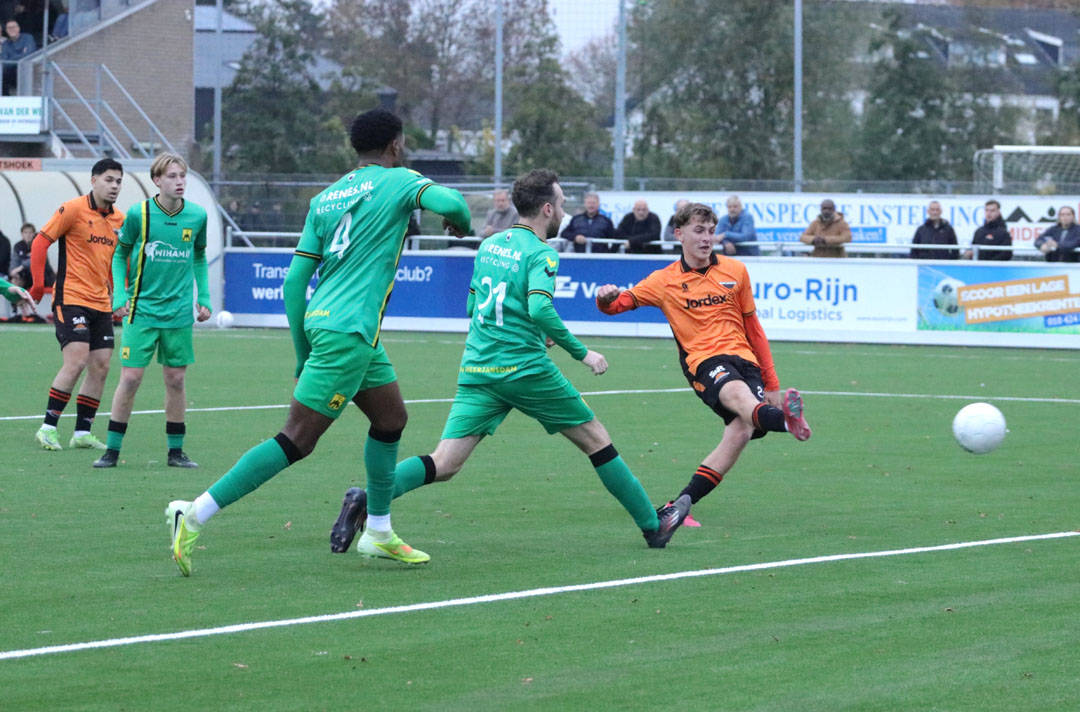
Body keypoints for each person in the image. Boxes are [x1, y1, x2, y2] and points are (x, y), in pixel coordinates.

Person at [164, 108, 473, 577]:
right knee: (297, 439)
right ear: (395, 145)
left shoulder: (327, 198)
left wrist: (301, 350)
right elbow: (455, 204)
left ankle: (380, 532)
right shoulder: (401, 180)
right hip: (349, 333)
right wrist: (462, 225)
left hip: (336, 328)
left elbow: (294, 284)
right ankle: (197, 512)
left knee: (391, 420)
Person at [328, 169, 691, 556]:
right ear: (547, 208)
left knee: (445, 462)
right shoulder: (542, 253)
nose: (565, 214)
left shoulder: (490, 245)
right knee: (597, 440)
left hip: (479, 368)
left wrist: (532, 329)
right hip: (525, 369)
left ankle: (367, 498)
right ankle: (653, 526)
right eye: (563, 206)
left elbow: (472, 305)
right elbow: (538, 306)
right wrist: (582, 352)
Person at [595, 202, 811, 514]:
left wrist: (772, 383)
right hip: (704, 362)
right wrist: (605, 299)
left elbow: (754, 328)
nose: (707, 238)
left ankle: (680, 505)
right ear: (679, 234)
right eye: (699, 231)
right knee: (738, 396)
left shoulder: (736, 271)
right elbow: (616, 306)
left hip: (745, 360)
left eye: (711, 231)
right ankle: (787, 423)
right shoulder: (663, 280)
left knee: (740, 431)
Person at [93, 153, 211, 469]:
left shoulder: (197, 216)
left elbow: (199, 257)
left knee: (176, 379)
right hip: (141, 311)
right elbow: (120, 255)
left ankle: (176, 452)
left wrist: (206, 297)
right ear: (157, 181)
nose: (180, 182)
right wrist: (121, 293)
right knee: (130, 378)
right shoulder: (139, 214)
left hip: (178, 315)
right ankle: (112, 451)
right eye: (172, 176)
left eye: (183, 176)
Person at [29, 158, 125, 451]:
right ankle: (47, 428)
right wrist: (36, 285)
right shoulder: (72, 209)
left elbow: (114, 263)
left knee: (102, 364)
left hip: (101, 302)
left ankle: (82, 432)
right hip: (70, 297)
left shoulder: (119, 220)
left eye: (119, 181)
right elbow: (40, 243)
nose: (114, 186)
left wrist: (117, 296)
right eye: (109, 180)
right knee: (77, 359)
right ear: (93, 180)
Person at [9, 222, 54, 290]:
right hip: (26, 276)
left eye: (30, 232)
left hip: (42, 276)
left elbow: (35, 260)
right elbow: (15, 261)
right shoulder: (18, 246)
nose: (28, 235)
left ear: (33, 234)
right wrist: (13, 271)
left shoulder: (39, 244)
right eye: (26, 232)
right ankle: (15, 300)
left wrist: (21, 267)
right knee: (14, 282)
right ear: (22, 234)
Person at [1, 18, 36, 96]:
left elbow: (29, 54)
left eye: (13, 27)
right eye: (9, 28)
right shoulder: (5, 44)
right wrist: (21, 55)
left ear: (18, 28)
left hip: (28, 71)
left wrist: (11, 59)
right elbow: (4, 62)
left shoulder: (28, 38)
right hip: (11, 73)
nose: (11, 29)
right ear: (6, 31)